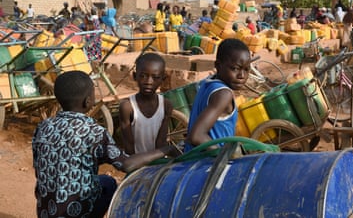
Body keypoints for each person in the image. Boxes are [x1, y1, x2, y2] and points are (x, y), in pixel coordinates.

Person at [32, 71, 175, 218]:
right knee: (109, 183)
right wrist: (165, 149)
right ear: (87, 101)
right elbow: (126, 164)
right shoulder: (93, 131)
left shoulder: (43, 126)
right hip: (76, 210)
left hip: (46, 210)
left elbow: (39, 166)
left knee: (96, 180)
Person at [185, 39, 251, 152]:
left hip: (194, 159)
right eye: (235, 68)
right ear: (218, 66)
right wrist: (223, 155)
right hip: (208, 164)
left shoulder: (208, 83)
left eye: (246, 69)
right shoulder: (223, 94)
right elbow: (197, 136)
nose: (242, 75)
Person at [119, 53, 175, 155]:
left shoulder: (166, 105)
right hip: (136, 164)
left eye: (155, 77)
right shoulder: (127, 107)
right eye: (143, 76)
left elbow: (161, 142)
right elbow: (129, 146)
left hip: (157, 162)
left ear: (163, 79)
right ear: (135, 76)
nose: (149, 82)